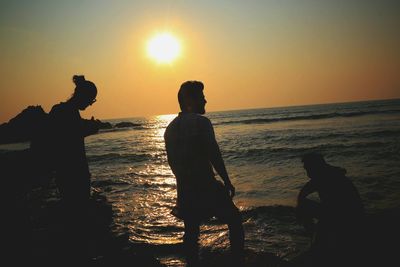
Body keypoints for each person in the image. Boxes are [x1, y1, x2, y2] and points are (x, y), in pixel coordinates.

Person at [164, 81, 244, 266]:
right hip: (206, 185)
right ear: (190, 100)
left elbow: (171, 162)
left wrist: (184, 182)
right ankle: (238, 261)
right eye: (201, 97)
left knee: (192, 232)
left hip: (185, 189)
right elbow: (213, 153)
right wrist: (227, 181)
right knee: (234, 220)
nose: (205, 100)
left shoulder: (170, 129)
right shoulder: (201, 122)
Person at [48, 75, 99, 263]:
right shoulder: (66, 113)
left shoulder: (60, 111)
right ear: (83, 96)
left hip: (65, 172)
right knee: (77, 217)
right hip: (73, 173)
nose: (90, 103)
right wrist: (90, 128)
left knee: (73, 215)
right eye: (91, 100)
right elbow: (67, 135)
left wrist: (87, 127)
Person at [296, 152, 364, 267]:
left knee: (303, 206)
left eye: (308, 169)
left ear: (315, 166)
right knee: (304, 206)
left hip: (344, 216)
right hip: (344, 214)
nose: (307, 173)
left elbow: (302, 196)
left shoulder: (324, 177)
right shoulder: (329, 173)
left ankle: (313, 237)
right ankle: (315, 237)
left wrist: (302, 215)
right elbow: (303, 193)